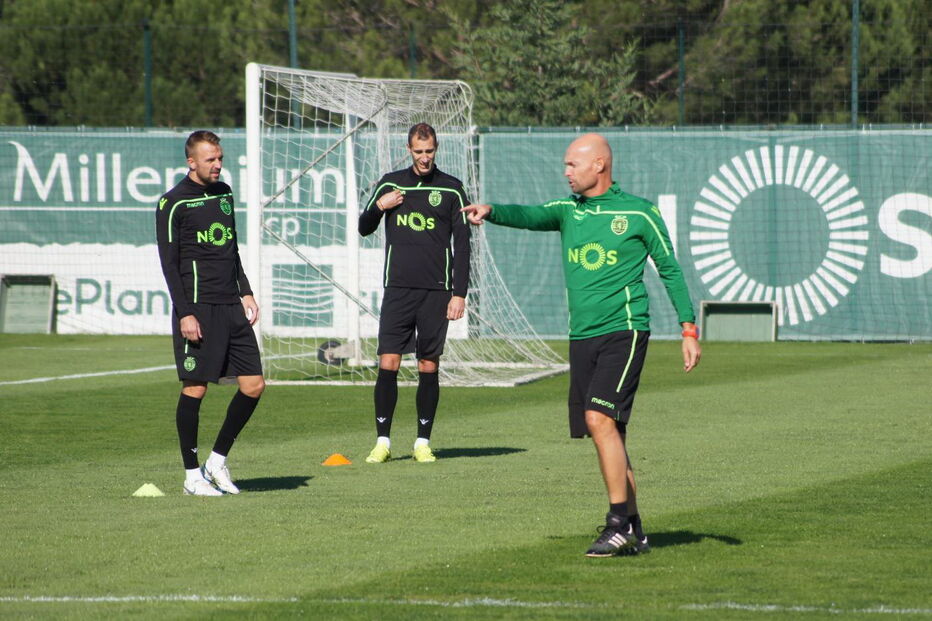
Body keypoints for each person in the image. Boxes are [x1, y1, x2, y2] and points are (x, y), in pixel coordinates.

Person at [462, 133, 701, 557]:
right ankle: (636, 529)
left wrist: (688, 330)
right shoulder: (568, 210)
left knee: (598, 419)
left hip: (624, 332)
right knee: (609, 433)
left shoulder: (639, 213)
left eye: (573, 164)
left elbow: (670, 269)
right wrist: (493, 211)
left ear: (599, 166)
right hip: (582, 337)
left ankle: (615, 525)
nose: (566, 171)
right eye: (566, 164)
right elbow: (531, 214)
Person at [155, 130, 265, 496]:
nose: (217, 165)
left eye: (220, 158)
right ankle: (191, 477)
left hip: (231, 305)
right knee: (196, 388)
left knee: (253, 385)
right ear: (191, 162)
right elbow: (170, 265)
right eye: (210, 160)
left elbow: (231, 249)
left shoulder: (224, 193)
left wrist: (245, 289)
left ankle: (216, 462)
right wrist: (184, 313)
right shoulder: (172, 203)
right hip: (198, 310)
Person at [358, 123, 471, 463]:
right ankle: (382, 442)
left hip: (436, 292)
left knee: (427, 364)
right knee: (388, 361)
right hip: (398, 289)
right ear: (409, 150)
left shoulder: (452, 189)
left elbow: (464, 245)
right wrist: (380, 205)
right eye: (419, 152)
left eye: (430, 151)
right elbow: (364, 228)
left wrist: (459, 293)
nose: (424, 158)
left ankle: (422, 442)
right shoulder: (392, 184)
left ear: (437, 149)